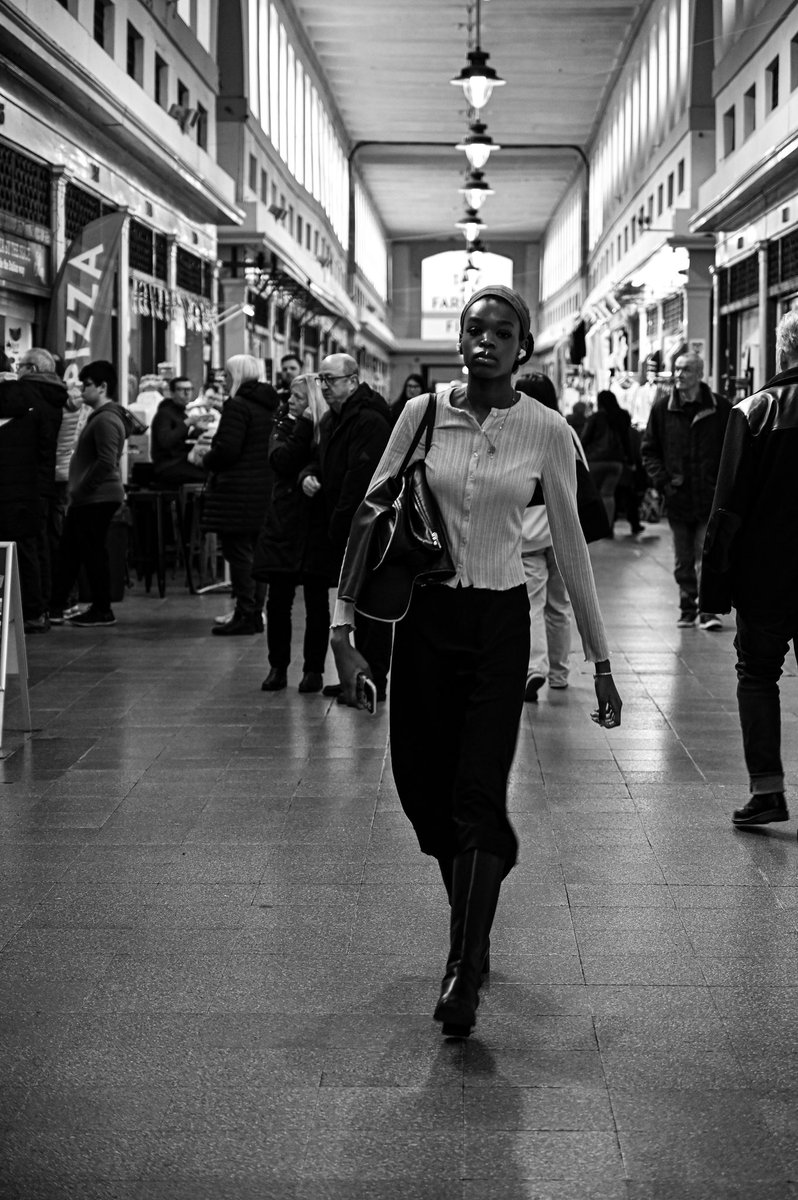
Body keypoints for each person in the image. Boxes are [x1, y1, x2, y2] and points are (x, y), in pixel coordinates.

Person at [330, 286, 622, 1039]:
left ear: (523, 347)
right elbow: (369, 515)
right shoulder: (421, 414)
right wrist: (342, 629)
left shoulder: (549, 431)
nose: (485, 340)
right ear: (457, 339)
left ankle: (462, 966)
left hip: (498, 625)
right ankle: (475, 924)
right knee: (424, 792)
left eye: (501, 331)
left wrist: (601, 657)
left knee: (478, 791)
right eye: (474, 328)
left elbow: (571, 548)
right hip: (425, 623)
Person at [700, 312, 798, 831]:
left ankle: (768, 791)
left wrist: (712, 587)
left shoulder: (756, 411)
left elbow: (728, 508)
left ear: (782, 352)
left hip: (768, 575)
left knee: (758, 675)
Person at [302, 353, 393, 698]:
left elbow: (360, 483)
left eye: (331, 379)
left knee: (370, 607)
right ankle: (354, 674)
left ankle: (374, 680)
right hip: (342, 528)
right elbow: (320, 462)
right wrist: (307, 474)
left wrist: (341, 528)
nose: (324, 386)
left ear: (353, 381)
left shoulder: (369, 420)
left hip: (366, 529)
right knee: (350, 606)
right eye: (320, 379)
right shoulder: (332, 420)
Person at [642, 352, 731, 629]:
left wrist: (724, 486)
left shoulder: (721, 408)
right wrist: (664, 482)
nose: (679, 375)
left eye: (686, 370)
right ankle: (687, 606)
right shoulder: (661, 409)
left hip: (710, 495)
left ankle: (707, 610)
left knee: (707, 554)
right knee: (683, 559)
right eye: (677, 369)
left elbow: (732, 451)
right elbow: (649, 451)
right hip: (678, 497)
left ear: (700, 373)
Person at [254, 374, 331, 692]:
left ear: (312, 400)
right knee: (278, 600)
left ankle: (314, 669)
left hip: (315, 523)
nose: (290, 403)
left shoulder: (328, 428)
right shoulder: (286, 425)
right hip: (284, 523)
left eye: (298, 398)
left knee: (316, 602)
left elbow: (326, 465)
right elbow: (281, 460)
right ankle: (278, 666)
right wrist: (301, 425)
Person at [197, 354, 278, 636]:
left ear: (239, 375)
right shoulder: (269, 404)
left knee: (238, 552)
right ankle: (256, 611)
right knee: (255, 553)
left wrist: (206, 459)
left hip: (238, 491)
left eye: (229, 374)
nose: (225, 380)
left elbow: (229, 449)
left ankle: (246, 613)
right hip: (263, 489)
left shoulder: (238, 405)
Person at [516, 372, 585, 701]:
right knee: (560, 606)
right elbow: (581, 478)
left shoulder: (518, 431)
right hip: (563, 531)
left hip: (528, 532)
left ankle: (535, 669)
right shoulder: (565, 430)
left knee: (532, 605)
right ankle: (559, 673)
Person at [49, 361, 125, 627]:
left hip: (97, 497)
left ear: (103, 387)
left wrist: (83, 488)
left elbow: (107, 460)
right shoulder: (102, 416)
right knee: (71, 550)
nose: (82, 390)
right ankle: (56, 606)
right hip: (90, 497)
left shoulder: (106, 419)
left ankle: (102, 608)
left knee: (91, 552)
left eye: (87, 385)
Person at [3, 348, 69, 626]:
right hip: (48, 480)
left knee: (26, 547)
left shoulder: (22, 398)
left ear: (30, 369)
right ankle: (43, 607)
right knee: (39, 545)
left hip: (22, 484)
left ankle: (32, 609)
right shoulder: (54, 398)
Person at [580, 389, 631, 527]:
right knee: (608, 495)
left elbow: (585, 439)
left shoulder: (595, 418)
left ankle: (593, 527)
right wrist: (630, 459)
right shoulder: (623, 416)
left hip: (596, 461)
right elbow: (627, 440)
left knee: (592, 495)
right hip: (616, 462)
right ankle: (607, 527)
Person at [150, 375, 206, 486]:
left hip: (180, 462)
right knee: (208, 477)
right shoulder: (164, 414)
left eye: (189, 389)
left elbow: (181, 440)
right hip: (168, 466)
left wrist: (198, 432)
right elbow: (166, 441)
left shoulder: (181, 413)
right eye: (181, 389)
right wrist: (187, 423)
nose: (187, 393)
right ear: (171, 393)